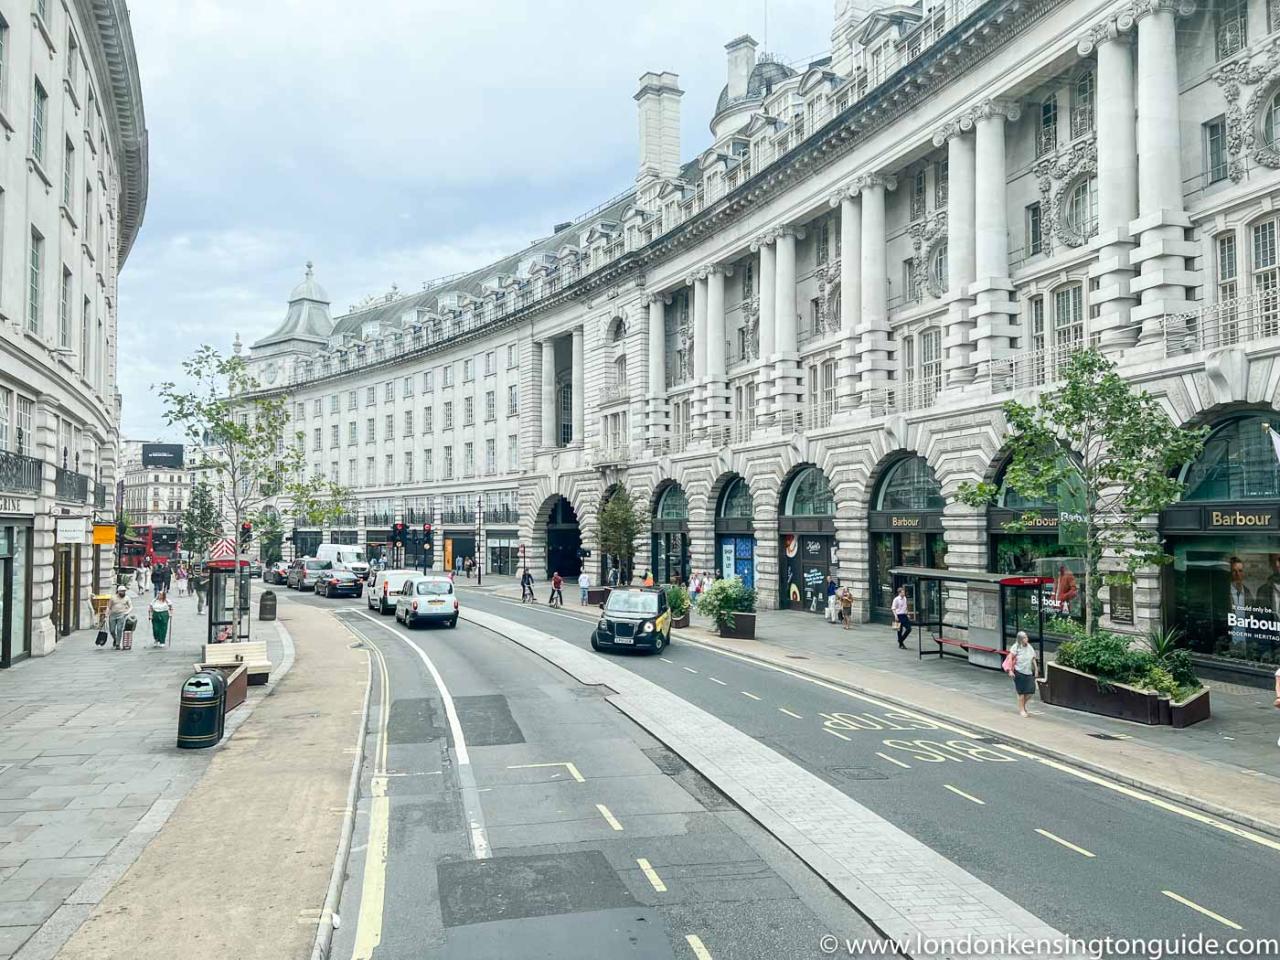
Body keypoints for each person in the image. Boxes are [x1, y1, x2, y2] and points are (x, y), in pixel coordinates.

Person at [1006, 630, 1039, 718]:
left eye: (1026, 637)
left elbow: (1033, 658)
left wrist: (1036, 669)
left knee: (1031, 691)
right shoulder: (1015, 647)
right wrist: (1010, 670)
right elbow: (1010, 658)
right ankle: (1022, 710)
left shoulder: (1029, 647)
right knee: (1021, 692)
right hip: (1018, 671)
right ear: (1020, 639)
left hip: (1028, 671)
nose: (1026, 639)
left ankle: (1022, 705)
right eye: (1024, 638)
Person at [106, 586, 133, 650]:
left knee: (119, 629)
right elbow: (109, 607)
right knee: (112, 630)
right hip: (112, 615)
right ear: (118, 591)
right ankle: (115, 639)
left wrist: (127, 612)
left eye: (124, 591)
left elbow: (131, 606)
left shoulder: (127, 598)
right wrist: (106, 614)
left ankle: (118, 644)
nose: (123, 592)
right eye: (122, 591)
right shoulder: (113, 598)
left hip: (121, 615)